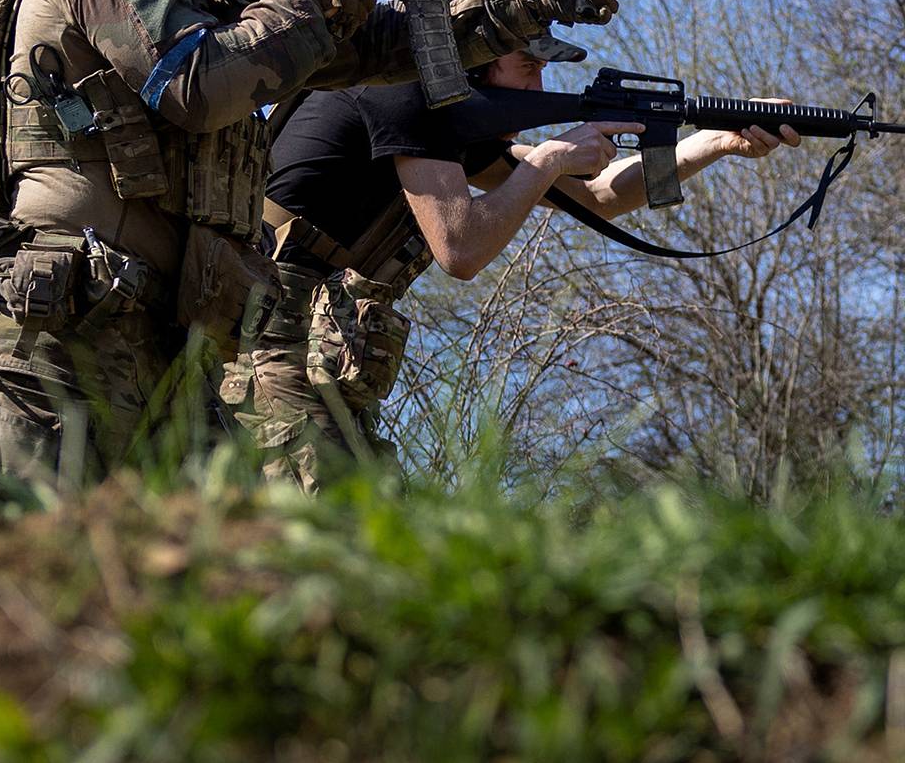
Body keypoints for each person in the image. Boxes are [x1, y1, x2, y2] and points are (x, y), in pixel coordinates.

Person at [0, 0, 624, 513]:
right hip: (64, 329)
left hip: (164, 334)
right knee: (31, 584)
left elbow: (381, 51)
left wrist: (526, 6)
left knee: (180, 599)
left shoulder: (205, 2)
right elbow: (198, 85)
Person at [230, 30, 803, 491]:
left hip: (308, 344)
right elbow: (460, 249)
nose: (540, 85)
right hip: (269, 332)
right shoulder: (400, 92)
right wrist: (548, 160)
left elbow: (600, 196)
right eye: (527, 67)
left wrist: (717, 140)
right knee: (330, 529)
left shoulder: (442, 124)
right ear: (476, 65)